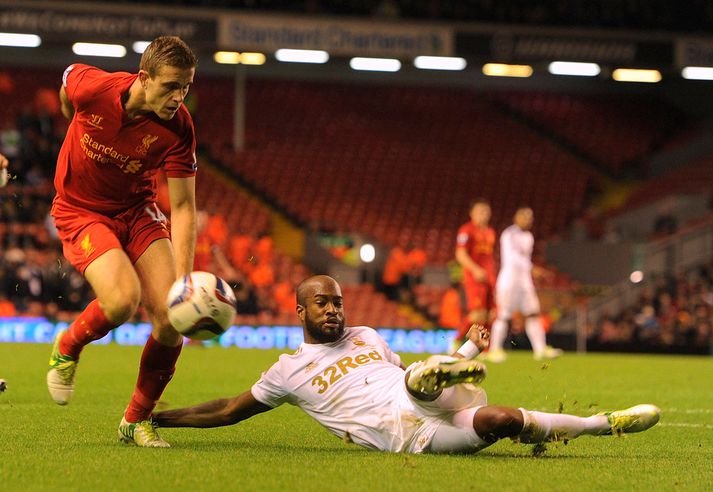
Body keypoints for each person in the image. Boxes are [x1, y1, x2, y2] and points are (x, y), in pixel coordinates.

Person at [153, 275, 660, 454]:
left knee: (414, 381)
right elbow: (227, 409)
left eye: (338, 301)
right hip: (409, 435)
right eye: (322, 303)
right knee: (503, 421)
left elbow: (398, 376)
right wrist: (156, 415)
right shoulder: (289, 370)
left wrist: (465, 350)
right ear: (301, 311)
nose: (334, 309)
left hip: (415, 393)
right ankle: (449, 369)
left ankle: (602, 423)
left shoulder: (368, 335)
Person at [45, 36, 199, 447]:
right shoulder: (93, 87)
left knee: (171, 319)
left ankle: (136, 419)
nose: (178, 96)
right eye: (170, 86)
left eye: (185, 86)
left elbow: (183, 208)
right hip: (81, 210)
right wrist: (69, 114)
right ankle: (68, 344)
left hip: (137, 211)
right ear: (144, 78)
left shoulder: (179, 126)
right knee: (120, 302)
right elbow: (67, 87)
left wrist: (184, 282)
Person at [486, 207, 561, 362]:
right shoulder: (509, 234)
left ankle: (540, 350)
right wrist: (532, 268)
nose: (527, 220)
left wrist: (530, 271)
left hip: (524, 283)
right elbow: (513, 257)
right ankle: (494, 350)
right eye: (524, 216)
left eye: (530, 217)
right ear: (516, 218)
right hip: (509, 282)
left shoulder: (529, 236)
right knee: (503, 315)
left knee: (533, 313)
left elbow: (524, 259)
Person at [455, 199, 496, 343]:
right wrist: (475, 269)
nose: (483, 215)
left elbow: (489, 257)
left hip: (488, 277)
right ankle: (456, 340)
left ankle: (486, 348)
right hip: (474, 277)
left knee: (490, 314)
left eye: (485, 211)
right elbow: (460, 254)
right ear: (471, 213)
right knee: (477, 314)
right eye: (479, 211)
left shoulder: (490, 232)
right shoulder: (466, 230)